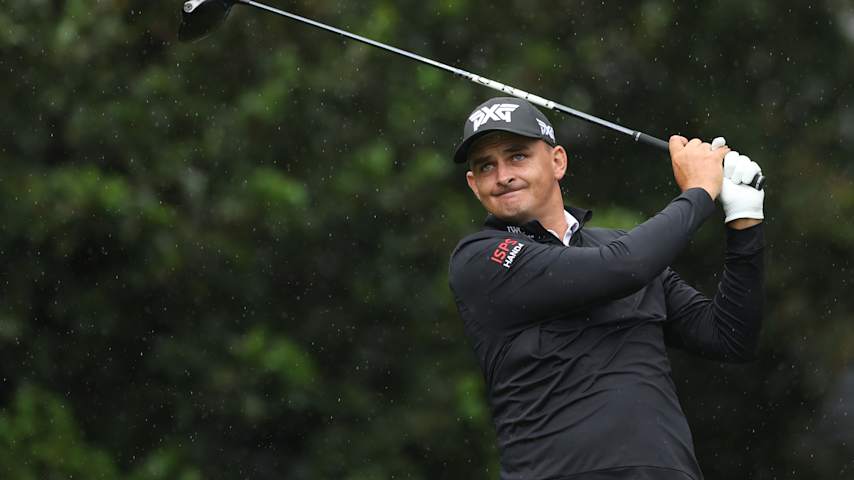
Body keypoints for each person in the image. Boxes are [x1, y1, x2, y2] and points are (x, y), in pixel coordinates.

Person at [448, 97, 765, 480]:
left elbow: (729, 337)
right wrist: (698, 191)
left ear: (557, 161)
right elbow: (624, 267)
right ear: (473, 184)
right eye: (486, 166)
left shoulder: (619, 249)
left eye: (517, 156)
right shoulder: (482, 258)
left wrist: (744, 222)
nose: (502, 175)